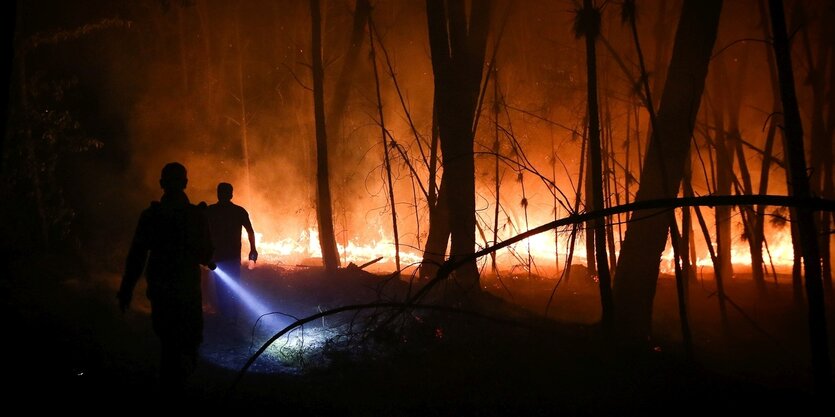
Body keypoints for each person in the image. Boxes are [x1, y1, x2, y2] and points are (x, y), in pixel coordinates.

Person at [117, 162, 214, 395]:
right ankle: (182, 383)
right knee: (190, 338)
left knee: (168, 341)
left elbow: (137, 256)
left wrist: (126, 289)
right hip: (187, 287)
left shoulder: (151, 216)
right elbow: (206, 254)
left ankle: (169, 387)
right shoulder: (195, 215)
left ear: (162, 184)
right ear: (185, 183)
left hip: (161, 287)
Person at [205, 182, 257, 324]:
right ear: (231, 194)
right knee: (231, 283)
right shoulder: (238, 211)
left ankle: (227, 314)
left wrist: (253, 249)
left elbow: (202, 232)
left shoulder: (211, 211)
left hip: (219, 256)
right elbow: (250, 231)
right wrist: (253, 249)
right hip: (229, 255)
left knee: (221, 284)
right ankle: (231, 315)